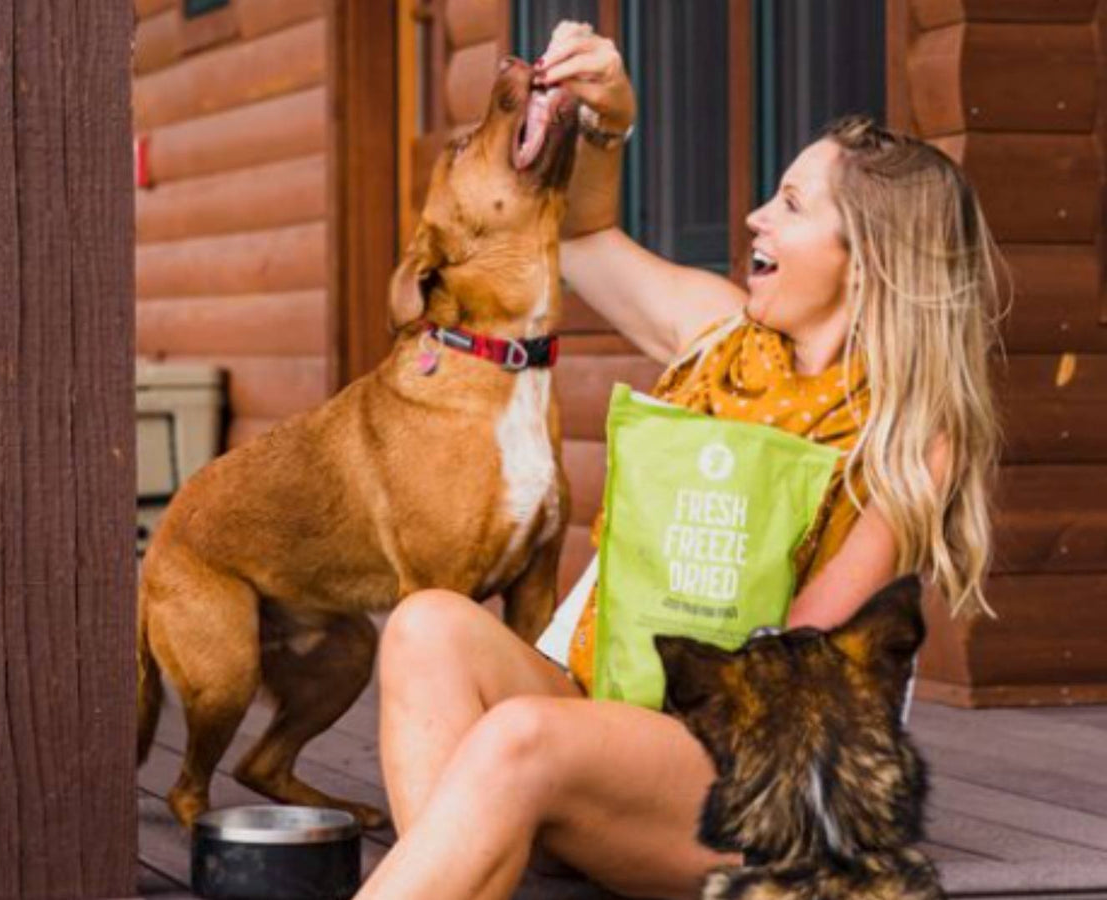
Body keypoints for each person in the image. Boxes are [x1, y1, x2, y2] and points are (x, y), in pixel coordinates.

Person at [355, 19, 1004, 900]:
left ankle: (463, 849)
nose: (754, 217)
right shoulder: (718, 334)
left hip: (755, 781)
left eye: (792, 205)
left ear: (872, 262)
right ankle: (467, 857)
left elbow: (799, 658)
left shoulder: (909, 435)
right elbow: (583, 242)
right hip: (616, 728)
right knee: (425, 623)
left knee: (519, 735)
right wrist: (609, 117)